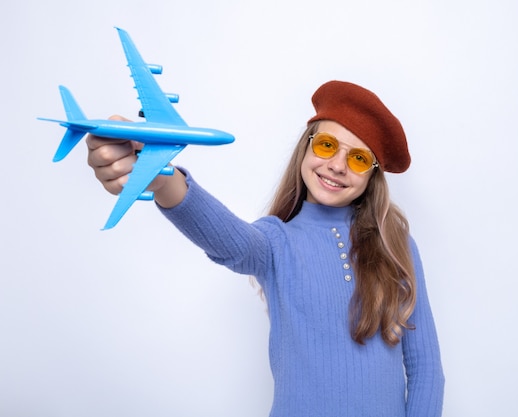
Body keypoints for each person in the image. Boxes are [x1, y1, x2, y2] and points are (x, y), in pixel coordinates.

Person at [86, 80, 445, 416]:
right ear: (306, 146)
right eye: (327, 145)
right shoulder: (276, 242)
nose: (337, 166)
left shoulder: (396, 246)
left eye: (358, 159)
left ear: (371, 175)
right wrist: (162, 178)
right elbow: (227, 239)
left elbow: (425, 368)